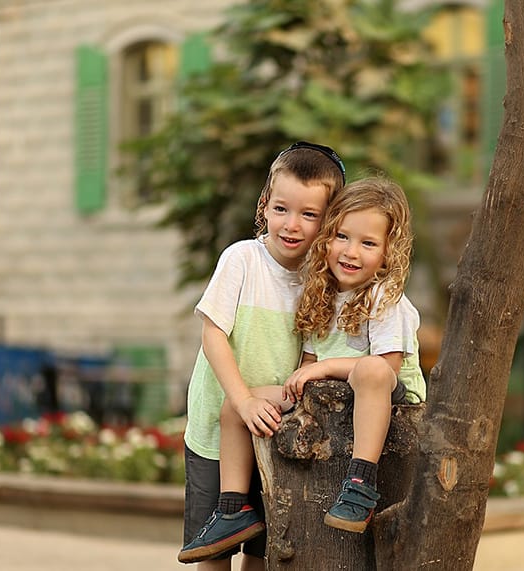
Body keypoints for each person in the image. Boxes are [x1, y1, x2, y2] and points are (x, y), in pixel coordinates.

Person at [181, 176, 426, 563]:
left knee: (371, 372)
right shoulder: (323, 295)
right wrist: (289, 388)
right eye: (342, 236)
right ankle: (233, 509)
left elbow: (387, 366)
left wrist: (323, 368)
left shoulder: (384, 296)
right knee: (238, 405)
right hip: (332, 400)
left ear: (388, 252)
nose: (351, 252)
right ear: (327, 236)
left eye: (368, 243)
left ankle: (361, 482)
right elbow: (309, 365)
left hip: (385, 399)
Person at [178, 141, 347, 569]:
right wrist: (244, 401)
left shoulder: (320, 281)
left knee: (265, 551)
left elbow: (311, 358)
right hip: (217, 432)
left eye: (310, 215)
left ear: (329, 221)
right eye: (281, 209)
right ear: (264, 204)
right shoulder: (242, 260)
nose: (291, 225)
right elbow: (213, 334)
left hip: (274, 432)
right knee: (214, 549)